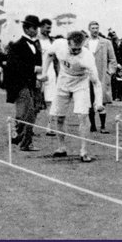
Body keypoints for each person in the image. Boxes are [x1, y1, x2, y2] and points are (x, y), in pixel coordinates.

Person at [39, 31, 104, 162]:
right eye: (73, 49)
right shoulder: (59, 45)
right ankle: (61, 147)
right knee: (59, 116)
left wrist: (99, 102)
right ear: (68, 43)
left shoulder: (87, 57)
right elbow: (48, 55)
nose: (76, 52)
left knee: (83, 116)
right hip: (63, 80)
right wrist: (44, 72)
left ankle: (84, 150)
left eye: (79, 49)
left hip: (80, 83)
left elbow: (96, 83)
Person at [5, 15, 44, 151]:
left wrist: (39, 78)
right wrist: (33, 69)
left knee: (29, 112)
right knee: (27, 112)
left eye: (37, 28)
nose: (36, 30)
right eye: (34, 28)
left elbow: (39, 65)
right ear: (26, 29)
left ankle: (20, 137)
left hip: (32, 84)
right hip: (19, 84)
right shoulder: (16, 46)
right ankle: (25, 142)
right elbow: (14, 66)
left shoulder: (36, 46)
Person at [87, 21, 117, 133]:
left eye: (97, 28)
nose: (95, 30)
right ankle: (92, 125)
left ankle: (103, 126)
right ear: (89, 29)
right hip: (88, 75)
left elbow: (113, 60)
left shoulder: (106, 43)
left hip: (101, 75)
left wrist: (109, 72)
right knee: (89, 100)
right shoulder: (85, 43)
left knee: (102, 100)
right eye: (93, 28)